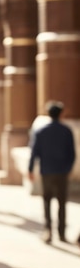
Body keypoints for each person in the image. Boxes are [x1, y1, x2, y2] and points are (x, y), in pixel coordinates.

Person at [28, 100, 76, 244]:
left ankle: (48, 230)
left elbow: (34, 152)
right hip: (62, 171)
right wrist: (68, 168)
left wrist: (30, 169)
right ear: (61, 114)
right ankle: (61, 233)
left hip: (47, 171)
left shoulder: (41, 131)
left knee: (47, 201)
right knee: (62, 203)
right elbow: (72, 154)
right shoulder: (66, 130)